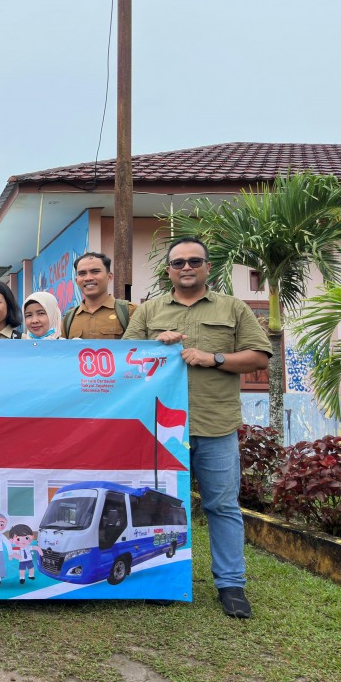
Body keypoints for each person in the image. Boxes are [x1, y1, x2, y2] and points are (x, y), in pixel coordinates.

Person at [123, 236, 271, 619]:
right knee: (154, 507)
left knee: (221, 506)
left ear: (207, 266)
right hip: (158, 429)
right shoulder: (148, 311)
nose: (186, 268)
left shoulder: (233, 308)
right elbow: (124, 360)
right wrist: (156, 345)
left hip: (214, 423)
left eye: (194, 261)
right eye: (178, 263)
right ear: (168, 270)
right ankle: (159, 577)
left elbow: (258, 357)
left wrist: (214, 357)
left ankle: (231, 585)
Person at [63, 251, 136, 339]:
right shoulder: (68, 319)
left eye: (95, 272)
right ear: (76, 281)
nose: (88, 278)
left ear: (109, 277)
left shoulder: (130, 311)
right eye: (82, 273)